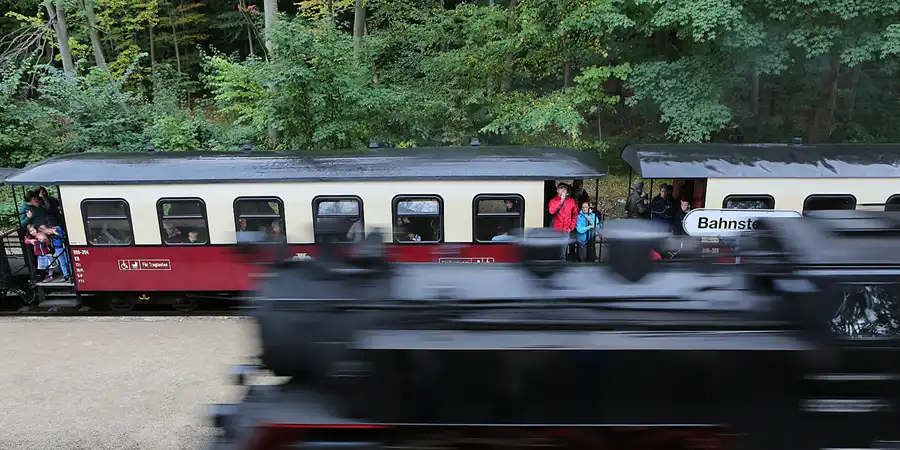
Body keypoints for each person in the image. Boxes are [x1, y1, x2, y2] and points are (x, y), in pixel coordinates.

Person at [547, 183, 578, 260]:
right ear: (557, 190)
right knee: (554, 250)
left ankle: (562, 266)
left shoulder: (571, 201)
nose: (563, 189)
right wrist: (561, 201)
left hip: (566, 231)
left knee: (563, 252)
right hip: (555, 231)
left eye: (565, 188)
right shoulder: (553, 201)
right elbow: (552, 211)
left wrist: (571, 227)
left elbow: (575, 215)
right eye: (561, 188)